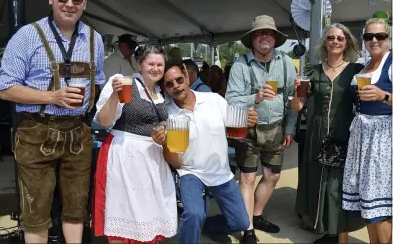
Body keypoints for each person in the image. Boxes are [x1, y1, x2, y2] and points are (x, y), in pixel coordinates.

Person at [0, 0, 105, 244]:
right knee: (36, 211)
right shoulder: (27, 36)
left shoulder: (95, 40)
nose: (70, 3)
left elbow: (98, 85)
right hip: (36, 132)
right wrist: (52, 97)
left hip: (78, 134)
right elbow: (5, 88)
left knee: (77, 208)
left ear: (85, 3)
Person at [151, 61, 258, 244]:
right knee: (194, 214)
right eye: (169, 84)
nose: (176, 86)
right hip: (191, 173)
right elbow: (176, 163)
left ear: (186, 75)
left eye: (178, 79)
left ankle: (210, 226)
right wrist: (164, 144)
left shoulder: (213, 100)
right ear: (164, 88)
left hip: (220, 171)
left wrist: (248, 122)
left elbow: (236, 128)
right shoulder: (168, 114)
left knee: (242, 222)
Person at [92, 45, 177, 243]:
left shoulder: (161, 91)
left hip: (154, 160)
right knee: (122, 212)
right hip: (125, 155)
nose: (156, 68)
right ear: (139, 64)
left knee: (149, 212)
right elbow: (104, 122)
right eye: (151, 64)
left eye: (160, 64)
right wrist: (115, 94)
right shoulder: (122, 83)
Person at [225, 15, 297, 243]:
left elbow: (291, 98)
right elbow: (231, 101)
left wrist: (290, 127)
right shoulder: (240, 64)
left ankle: (256, 215)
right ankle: (248, 229)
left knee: (272, 175)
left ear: (275, 38)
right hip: (248, 130)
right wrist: (254, 97)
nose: (264, 36)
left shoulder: (285, 62)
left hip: (276, 128)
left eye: (268, 33)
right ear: (252, 39)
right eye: (259, 33)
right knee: (247, 178)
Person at [292, 23, 365, 243]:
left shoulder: (355, 71)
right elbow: (297, 107)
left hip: (343, 130)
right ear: (325, 42)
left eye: (340, 39)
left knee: (337, 184)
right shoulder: (313, 70)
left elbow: (361, 102)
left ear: (347, 43)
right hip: (317, 130)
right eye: (331, 38)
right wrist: (297, 93)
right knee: (318, 180)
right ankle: (325, 229)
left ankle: (341, 237)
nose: (335, 42)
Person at [342, 17, 392, 244]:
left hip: (383, 140)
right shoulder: (364, 67)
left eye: (380, 36)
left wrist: (385, 96)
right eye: (368, 36)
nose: (374, 40)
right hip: (363, 140)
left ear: (389, 39)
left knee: (380, 206)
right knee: (369, 207)